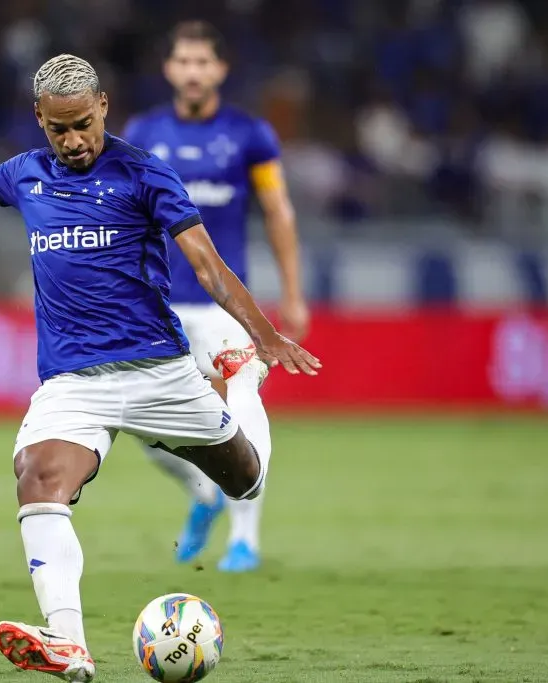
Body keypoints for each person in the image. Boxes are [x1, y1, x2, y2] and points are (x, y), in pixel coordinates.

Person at [0, 53, 321, 683]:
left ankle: (242, 380)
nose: (73, 141)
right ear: (39, 119)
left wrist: (263, 338)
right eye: (58, 129)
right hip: (74, 382)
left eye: (82, 125)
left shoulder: (144, 174)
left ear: (103, 106)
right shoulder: (25, 174)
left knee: (246, 482)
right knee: (37, 476)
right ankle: (69, 644)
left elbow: (207, 266)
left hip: (161, 372)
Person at [122, 20, 309, 573]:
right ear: (169, 69)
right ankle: (204, 492)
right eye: (184, 61)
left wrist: (293, 293)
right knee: (139, 419)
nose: (193, 72)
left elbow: (277, 212)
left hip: (225, 303)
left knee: (241, 393)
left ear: (220, 69)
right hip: (160, 303)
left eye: (203, 62)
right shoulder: (143, 132)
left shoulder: (251, 135)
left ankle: (244, 539)